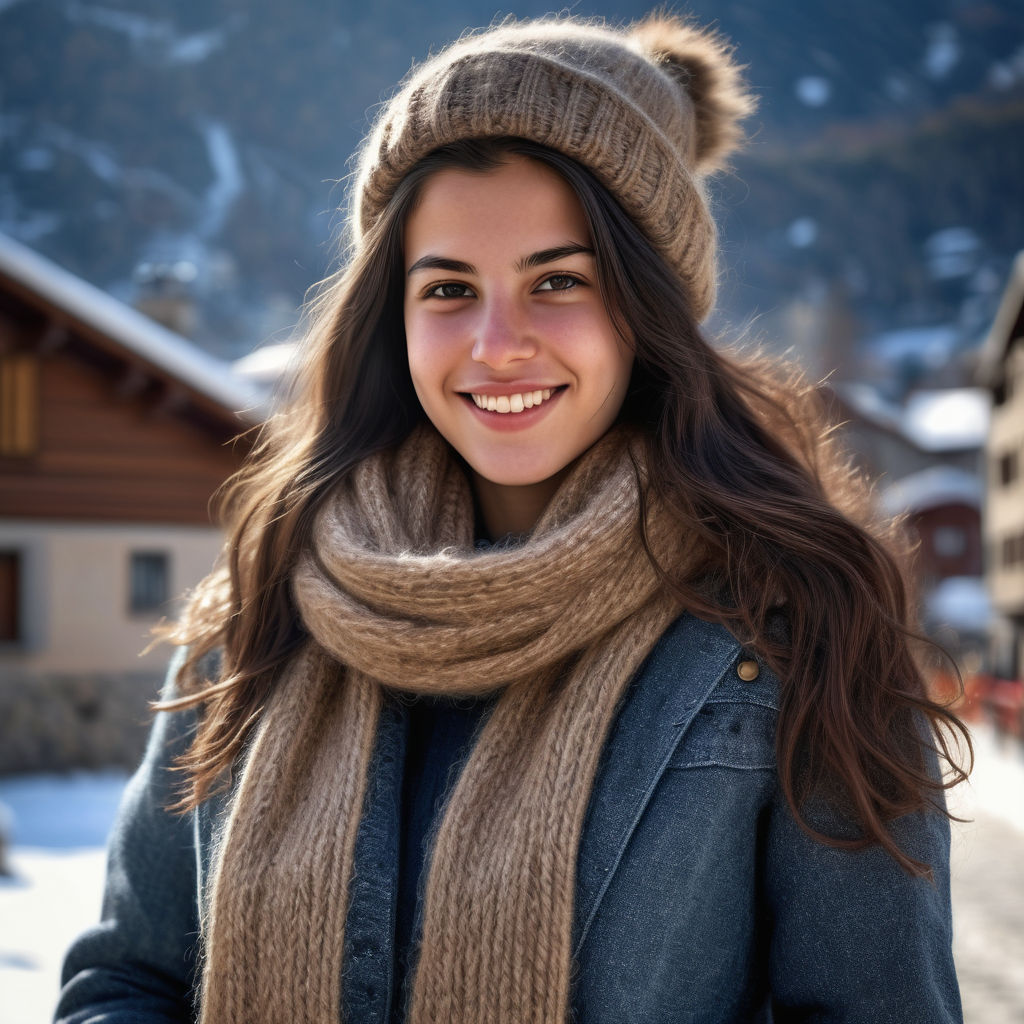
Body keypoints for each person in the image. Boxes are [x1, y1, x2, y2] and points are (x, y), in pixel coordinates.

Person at [56, 12, 969, 1024]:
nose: (498, 344)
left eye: (558, 281)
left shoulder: (796, 628)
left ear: (650, 307)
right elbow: (128, 979)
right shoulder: (265, 604)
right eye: (449, 287)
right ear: (392, 316)